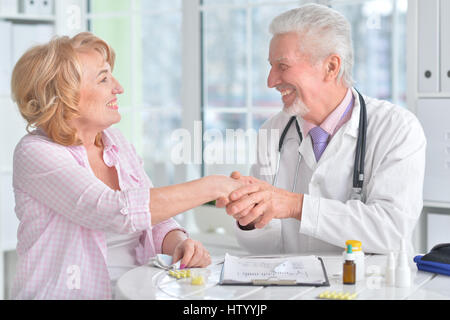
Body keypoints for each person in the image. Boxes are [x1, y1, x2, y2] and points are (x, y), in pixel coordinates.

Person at [10, 32, 244, 299]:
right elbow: (115, 210)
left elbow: (154, 221)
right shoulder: (36, 153)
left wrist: (178, 243)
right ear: (64, 96)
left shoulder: (115, 142)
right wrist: (213, 186)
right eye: (103, 78)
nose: (118, 87)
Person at [217, 4, 426, 256]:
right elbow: (268, 247)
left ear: (331, 67)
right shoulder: (273, 130)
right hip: (298, 290)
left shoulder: (397, 129)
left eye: (282, 66)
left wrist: (296, 206)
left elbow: (390, 230)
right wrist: (249, 217)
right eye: (270, 66)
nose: (270, 81)